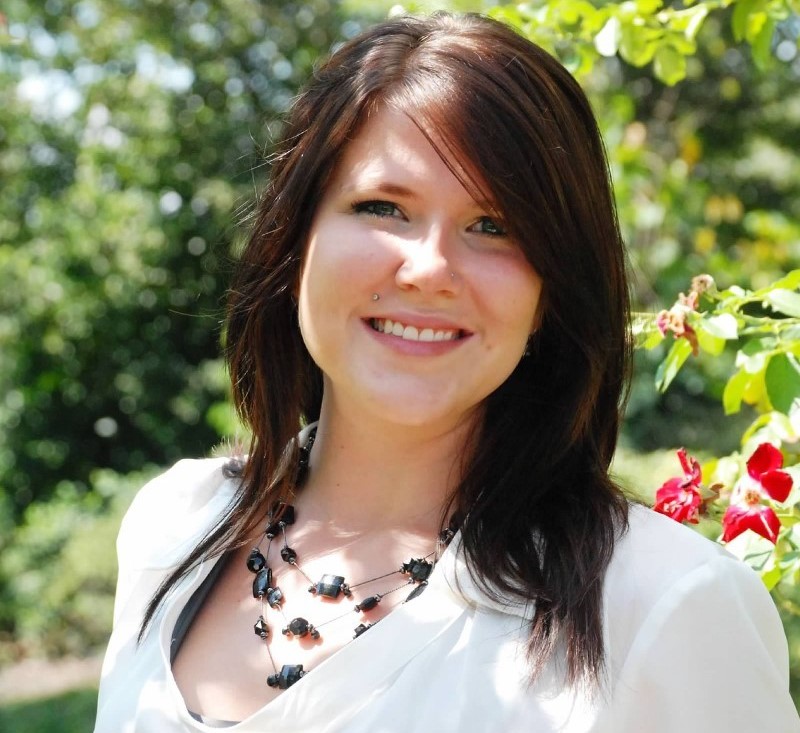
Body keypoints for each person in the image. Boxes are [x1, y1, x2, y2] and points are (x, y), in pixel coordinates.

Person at [93, 12, 799, 732]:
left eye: (494, 226)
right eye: (383, 206)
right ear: (295, 239)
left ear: (552, 286)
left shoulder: (659, 604)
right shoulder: (172, 526)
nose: (430, 268)